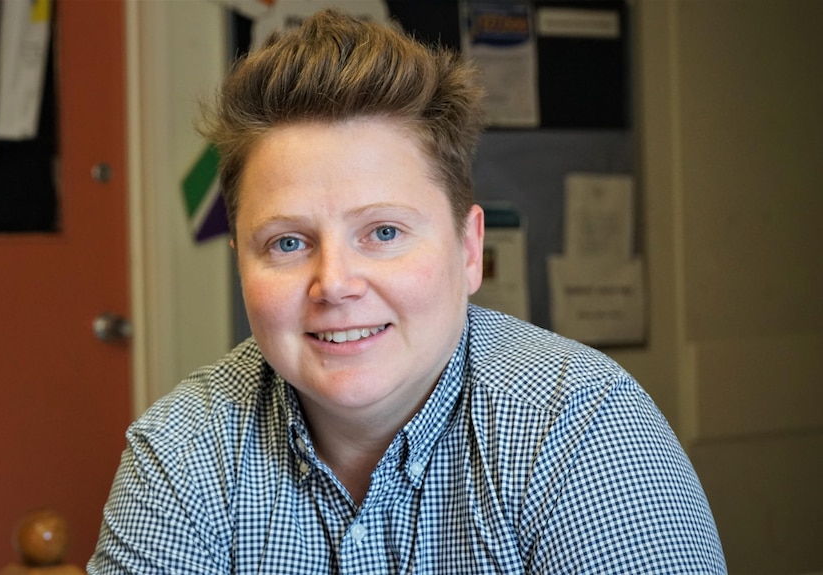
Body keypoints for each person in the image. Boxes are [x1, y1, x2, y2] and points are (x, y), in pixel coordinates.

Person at [88, 8, 726, 574]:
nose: (334, 283)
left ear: (469, 249)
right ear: (241, 264)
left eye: (384, 232)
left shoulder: (584, 431)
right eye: (287, 243)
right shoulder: (181, 452)